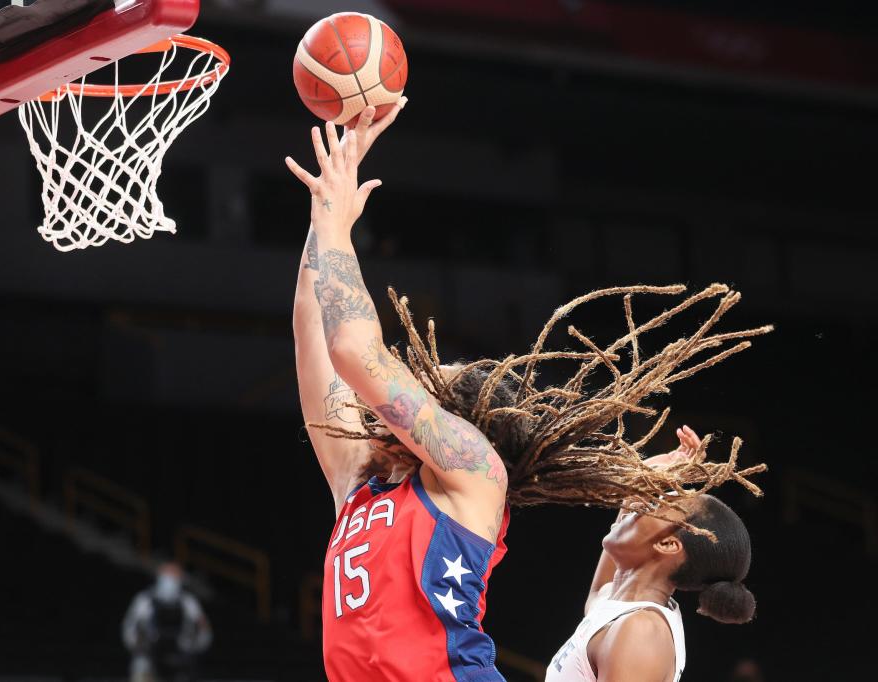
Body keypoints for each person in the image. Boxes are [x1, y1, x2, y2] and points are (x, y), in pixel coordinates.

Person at [286, 104, 768, 681]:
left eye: (429, 392)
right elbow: (310, 326)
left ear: (451, 424)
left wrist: (341, 227)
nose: (411, 389)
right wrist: (324, 211)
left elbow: (355, 351)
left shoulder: (475, 471)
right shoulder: (359, 488)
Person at [546, 426, 757, 682]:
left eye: (655, 504)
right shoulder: (617, 605)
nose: (636, 503)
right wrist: (656, 470)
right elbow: (602, 585)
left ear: (668, 544)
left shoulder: (642, 631)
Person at [122, 562, 212, 682]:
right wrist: (139, 645)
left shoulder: (188, 602)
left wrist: (194, 646)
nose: (170, 579)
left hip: (180, 656)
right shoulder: (144, 600)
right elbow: (130, 628)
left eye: (174, 575)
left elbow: (204, 628)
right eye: (167, 574)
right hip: (150, 655)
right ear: (159, 576)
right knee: (141, 667)